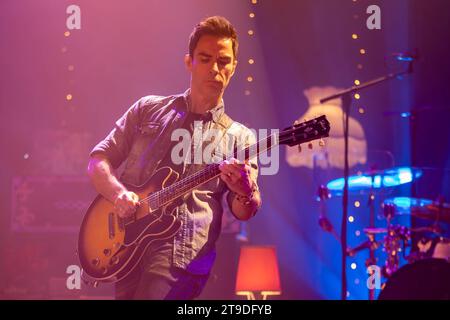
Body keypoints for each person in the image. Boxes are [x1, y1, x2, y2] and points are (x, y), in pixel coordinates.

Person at [87, 16, 261, 300]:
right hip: (127, 246)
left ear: (234, 68)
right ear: (189, 62)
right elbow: (98, 161)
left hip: (182, 255)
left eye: (223, 61)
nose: (215, 69)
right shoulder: (148, 109)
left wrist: (246, 189)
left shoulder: (240, 138)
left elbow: (245, 210)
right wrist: (118, 194)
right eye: (205, 59)